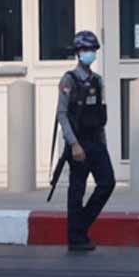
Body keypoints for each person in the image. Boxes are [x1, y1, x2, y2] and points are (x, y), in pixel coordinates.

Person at [56, 30, 115, 252]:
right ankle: (76, 238)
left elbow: (100, 115)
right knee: (77, 190)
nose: (90, 53)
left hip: (96, 141)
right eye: (86, 49)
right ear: (78, 52)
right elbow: (62, 114)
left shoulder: (97, 80)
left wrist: (103, 145)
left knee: (107, 183)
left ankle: (79, 226)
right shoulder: (69, 79)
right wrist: (73, 144)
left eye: (92, 49)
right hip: (78, 142)